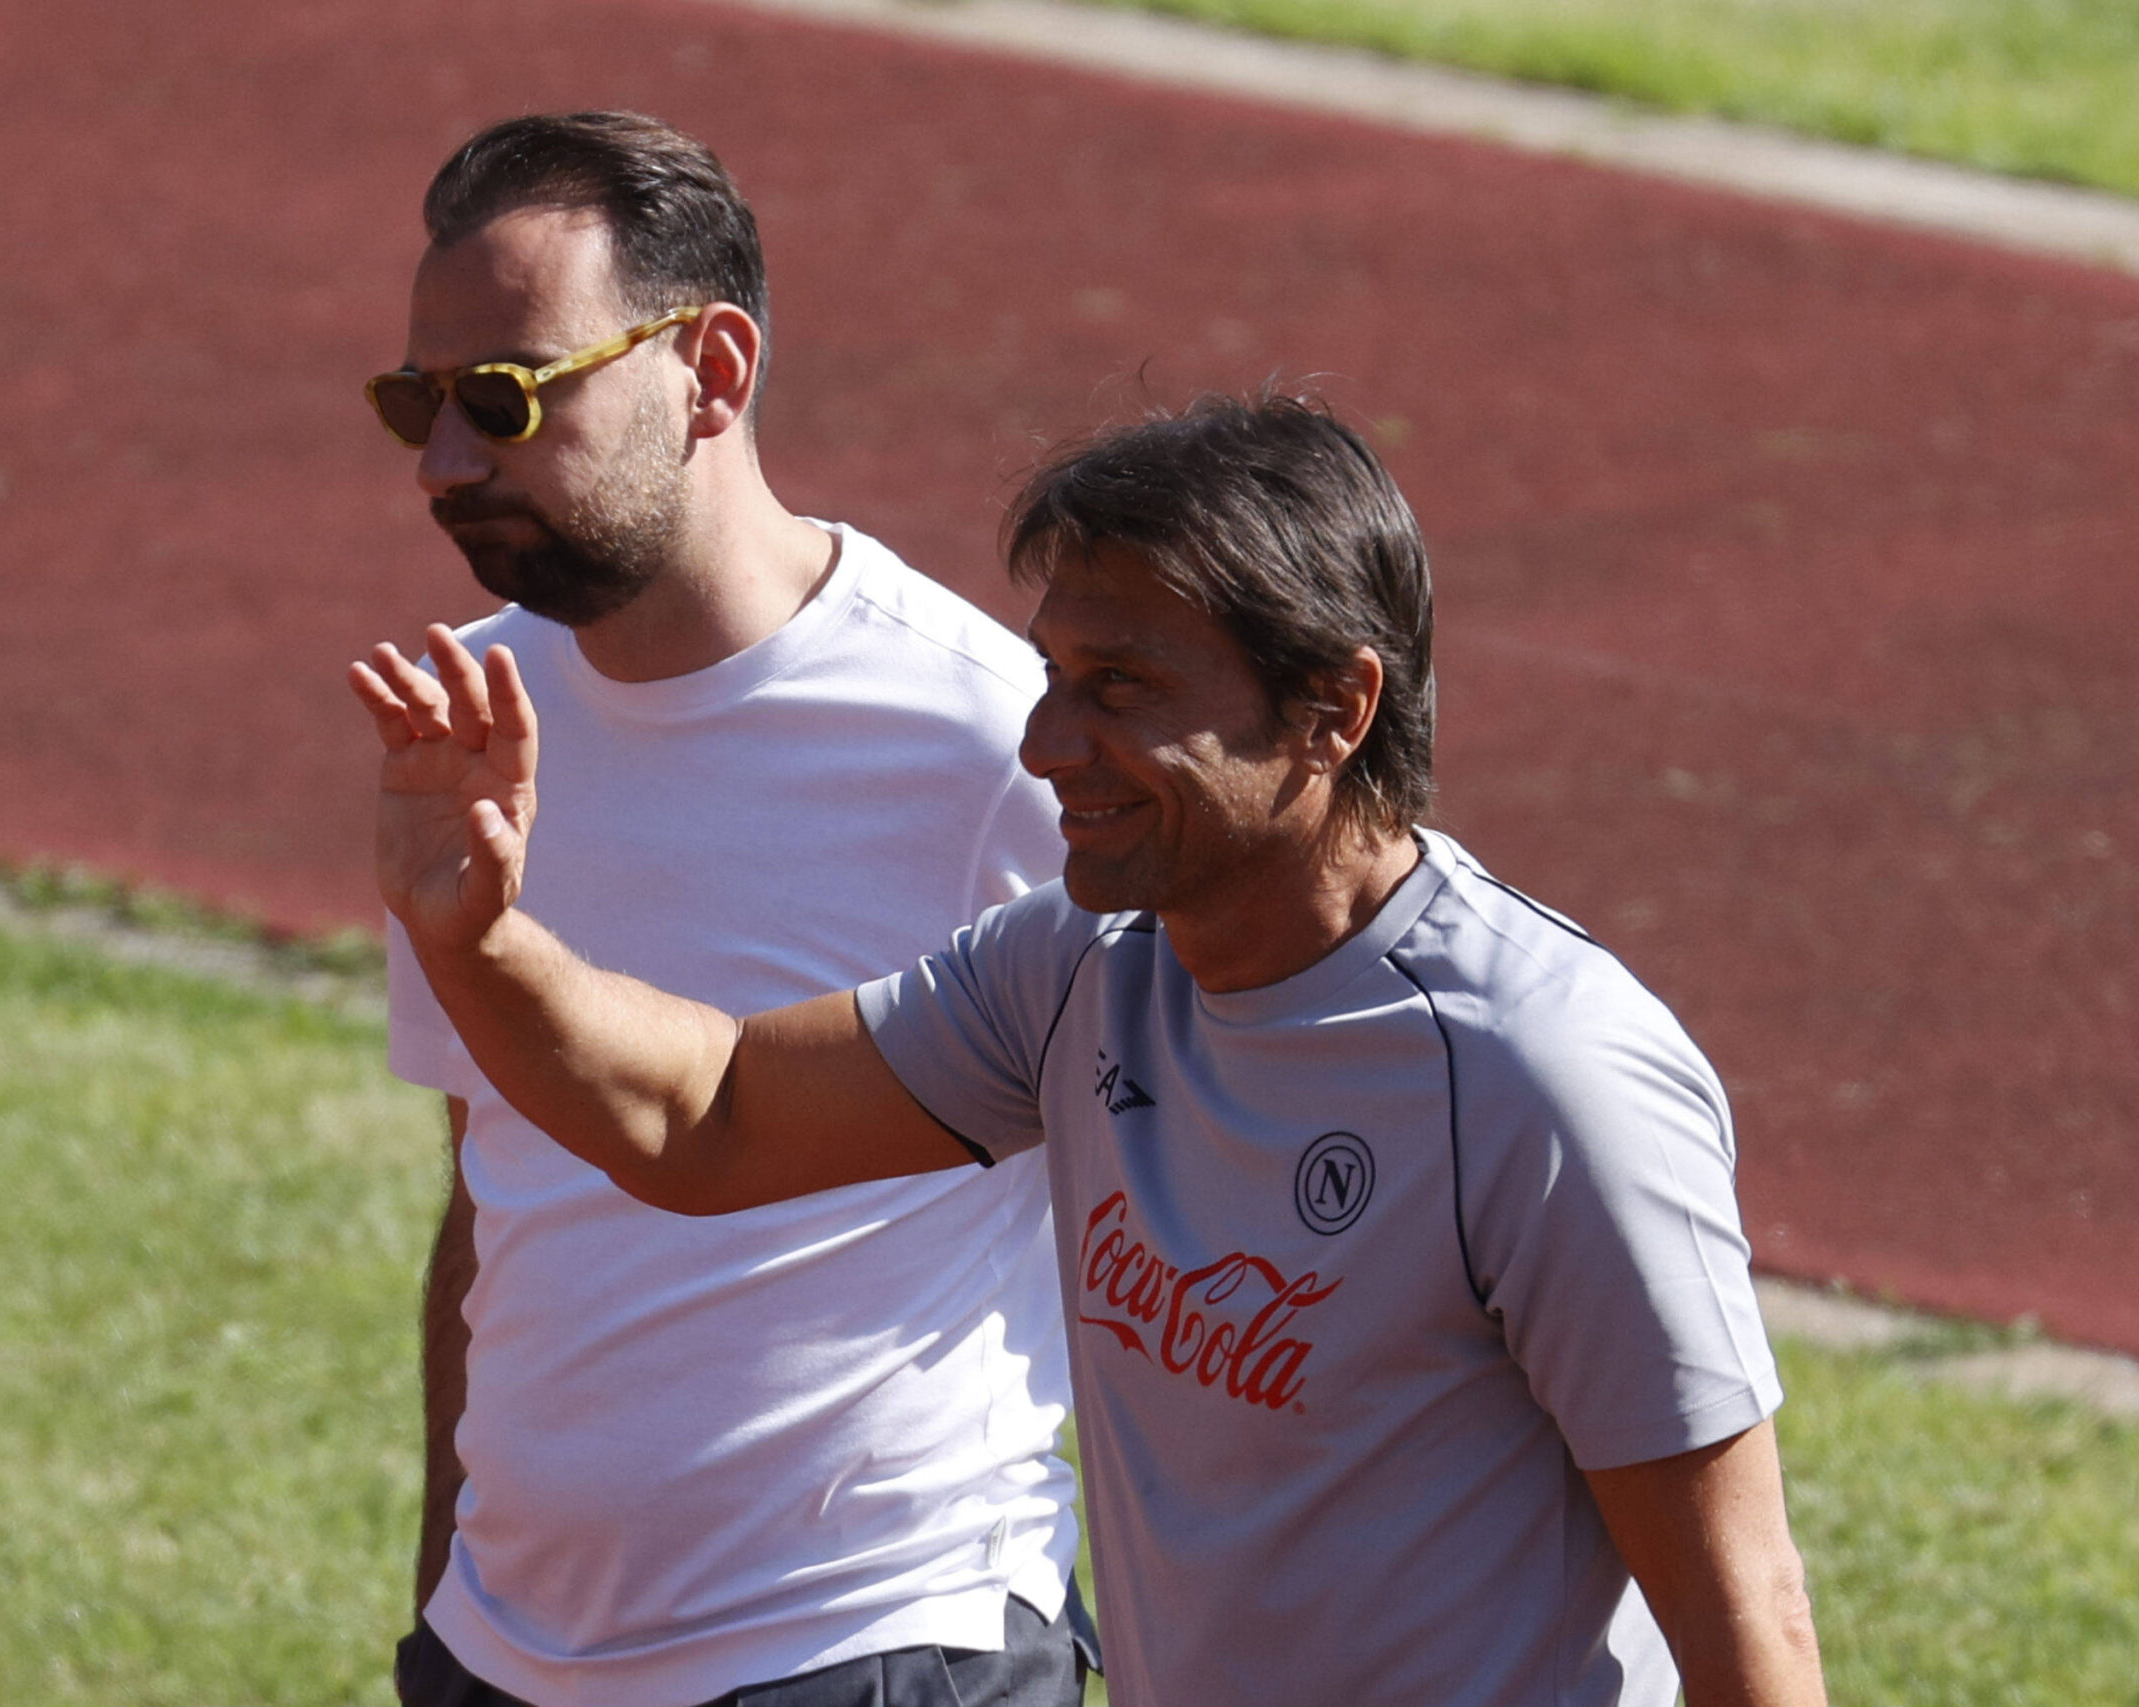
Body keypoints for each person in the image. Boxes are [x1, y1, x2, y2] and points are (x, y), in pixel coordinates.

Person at [350, 391, 1832, 1707]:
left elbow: (1743, 1610)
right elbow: (715, 1115)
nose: (1047, 743)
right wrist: (483, 941)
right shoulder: (1082, 970)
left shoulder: (1539, 1077)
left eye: (1120, 689)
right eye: (1053, 677)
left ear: (1334, 708)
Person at [357, 112, 1091, 1707]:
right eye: (418, 402)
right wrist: (446, 1608)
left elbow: (1181, 1203)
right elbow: (491, 1198)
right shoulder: (473, 719)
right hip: (509, 1654)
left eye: (505, 397)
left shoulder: (992, 745)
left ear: (713, 371)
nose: (443, 462)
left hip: (875, 1643)